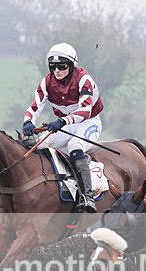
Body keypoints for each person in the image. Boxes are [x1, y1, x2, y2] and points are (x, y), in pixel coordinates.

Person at [22, 42, 103, 213]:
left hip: (89, 122)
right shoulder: (46, 82)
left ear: (72, 65)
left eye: (62, 66)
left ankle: (87, 197)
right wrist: (28, 122)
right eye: (53, 66)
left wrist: (62, 121)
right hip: (66, 124)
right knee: (41, 145)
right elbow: (35, 107)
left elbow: (85, 110)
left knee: (75, 146)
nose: (57, 71)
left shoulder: (84, 79)